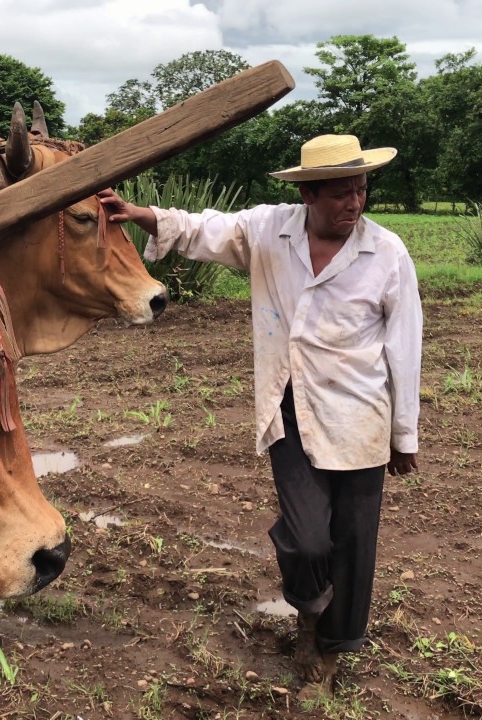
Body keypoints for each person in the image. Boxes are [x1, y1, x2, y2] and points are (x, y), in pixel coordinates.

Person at [98, 134, 422, 688]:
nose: (355, 203)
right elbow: (205, 229)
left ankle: (331, 645)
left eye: (361, 189)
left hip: (361, 416)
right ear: (310, 195)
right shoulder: (271, 230)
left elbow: (404, 346)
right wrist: (140, 215)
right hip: (290, 408)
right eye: (342, 193)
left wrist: (404, 436)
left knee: (353, 540)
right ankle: (310, 608)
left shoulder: (386, 253)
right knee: (306, 538)